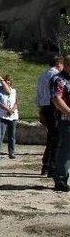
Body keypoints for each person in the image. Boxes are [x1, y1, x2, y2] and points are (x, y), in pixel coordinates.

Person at [37, 56, 63, 176]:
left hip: (45, 108)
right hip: (54, 108)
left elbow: (39, 95)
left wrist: (41, 111)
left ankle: (46, 165)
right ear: (59, 64)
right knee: (56, 138)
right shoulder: (56, 76)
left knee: (51, 137)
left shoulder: (42, 76)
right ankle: (52, 166)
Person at [51, 55, 70, 192]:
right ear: (67, 65)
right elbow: (57, 100)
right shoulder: (59, 79)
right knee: (65, 149)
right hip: (66, 120)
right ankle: (60, 179)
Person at [0, 75, 19, 159]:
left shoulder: (14, 91)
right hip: (3, 116)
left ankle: (11, 152)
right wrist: (7, 109)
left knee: (12, 135)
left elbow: (16, 102)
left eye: (9, 81)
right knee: (1, 135)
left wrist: (12, 110)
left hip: (13, 116)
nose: (7, 82)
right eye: (6, 80)